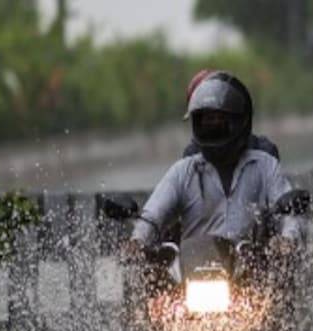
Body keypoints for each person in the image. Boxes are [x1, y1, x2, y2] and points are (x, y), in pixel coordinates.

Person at [122, 71, 301, 265]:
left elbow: (288, 215)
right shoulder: (182, 171)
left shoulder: (266, 165)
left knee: (279, 290)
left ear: (240, 120)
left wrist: (286, 240)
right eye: (206, 120)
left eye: (219, 120)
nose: (212, 125)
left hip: (251, 273)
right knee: (153, 290)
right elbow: (153, 215)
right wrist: (137, 241)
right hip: (192, 276)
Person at [181, 69, 280, 161]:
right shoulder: (191, 156)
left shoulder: (264, 151)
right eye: (208, 118)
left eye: (220, 117)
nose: (214, 124)